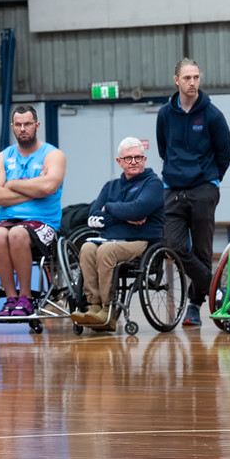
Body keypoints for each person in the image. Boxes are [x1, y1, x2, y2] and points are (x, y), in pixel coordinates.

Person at [157, 58, 230, 327]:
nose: (192, 82)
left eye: (196, 77)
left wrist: (210, 181)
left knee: (202, 252)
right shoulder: (165, 114)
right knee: (173, 245)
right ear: (176, 80)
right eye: (187, 78)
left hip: (203, 189)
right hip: (173, 190)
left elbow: (224, 154)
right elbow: (163, 150)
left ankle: (194, 306)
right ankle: (217, 289)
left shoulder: (212, 115)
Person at [71, 137, 164, 330]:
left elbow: (138, 210)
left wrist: (110, 208)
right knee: (88, 248)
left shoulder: (153, 184)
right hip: (109, 239)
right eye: (128, 158)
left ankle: (108, 308)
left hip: (141, 240)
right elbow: (92, 218)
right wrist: (124, 214)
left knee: (106, 251)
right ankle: (93, 305)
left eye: (138, 157)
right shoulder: (110, 186)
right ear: (119, 162)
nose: (134, 162)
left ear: (144, 159)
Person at [0, 105, 66, 317]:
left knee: (18, 234)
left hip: (42, 222)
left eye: (28, 124)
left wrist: (10, 184)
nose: (23, 128)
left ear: (37, 125)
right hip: (8, 220)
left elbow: (48, 187)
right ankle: (11, 299)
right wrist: (33, 188)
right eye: (19, 125)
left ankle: (26, 298)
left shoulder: (54, 155)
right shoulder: (1, 158)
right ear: (12, 127)